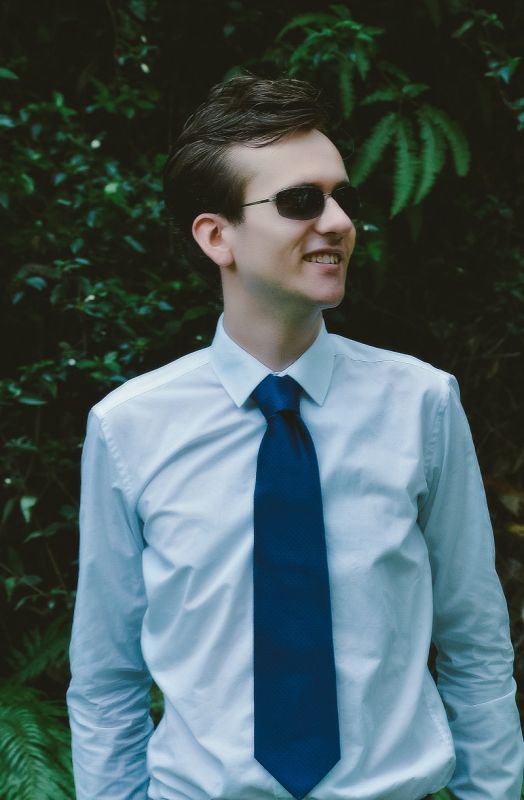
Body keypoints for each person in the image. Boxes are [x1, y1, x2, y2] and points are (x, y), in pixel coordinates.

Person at [67, 75, 524, 800]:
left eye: (343, 197)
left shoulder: (423, 404)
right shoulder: (129, 427)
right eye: (301, 201)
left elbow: (475, 643)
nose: (337, 221)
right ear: (216, 236)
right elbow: (106, 678)